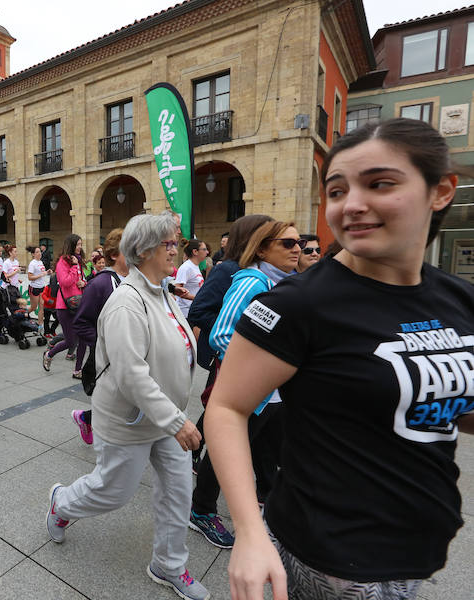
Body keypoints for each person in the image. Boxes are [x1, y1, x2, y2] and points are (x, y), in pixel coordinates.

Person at [206, 119, 473, 600]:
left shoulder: (460, 299)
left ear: (441, 191)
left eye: (380, 183)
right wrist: (248, 530)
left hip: (423, 539)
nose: (351, 204)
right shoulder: (296, 303)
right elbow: (226, 407)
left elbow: (445, 403)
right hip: (335, 558)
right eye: (336, 190)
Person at [46, 213, 208, 600]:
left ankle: (168, 565)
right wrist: (178, 421)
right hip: (131, 420)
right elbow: (132, 375)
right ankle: (61, 503)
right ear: (144, 250)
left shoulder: (163, 291)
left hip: (166, 420)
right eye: (170, 242)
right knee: (113, 491)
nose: (177, 249)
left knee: (179, 490)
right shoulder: (125, 302)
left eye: (177, 241)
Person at [188, 221, 302, 550]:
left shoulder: (284, 282)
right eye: (288, 243)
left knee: (267, 451)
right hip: (250, 389)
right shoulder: (252, 282)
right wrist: (263, 371)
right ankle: (202, 509)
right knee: (228, 453)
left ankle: (267, 503)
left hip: (274, 392)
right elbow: (222, 333)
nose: (297, 249)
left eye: (300, 244)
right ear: (263, 248)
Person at [70, 227, 126, 445]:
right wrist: (103, 344)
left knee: (121, 401)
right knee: (115, 400)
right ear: (114, 255)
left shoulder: (133, 281)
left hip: (126, 355)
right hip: (106, 357)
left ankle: (89, 418)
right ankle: (86, 418)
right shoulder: (100, 283)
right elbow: (81, 323)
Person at [42, 234, 87, 378]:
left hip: (79, 303)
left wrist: (83, 283)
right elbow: (65, 282)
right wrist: (74, 267)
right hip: (66, 306)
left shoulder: (78, 261)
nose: (80, 247)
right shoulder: (63, 261)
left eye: (81, 244)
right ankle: (49, 354)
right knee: (70, 341)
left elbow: (82, 279)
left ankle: (77, 370)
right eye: (78, 244)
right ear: (71, 245)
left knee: (83, 338)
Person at [173, 239, 209, 318]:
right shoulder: (186, 267)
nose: (207, 252)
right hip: (185, 314)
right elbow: (177, 289)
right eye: (204, 249)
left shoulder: (195, 266)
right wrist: (199, 299)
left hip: (193, 311)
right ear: (195, 252)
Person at [26, 245, 52, 332]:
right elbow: (30, 277)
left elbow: (42, 273)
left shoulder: (40, 262)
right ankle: (22, 314)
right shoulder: (32, 263)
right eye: (37, 252)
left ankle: (40, 326)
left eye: (39, 252)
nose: (39, 253)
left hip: (42, 287)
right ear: (33, 254)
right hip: (34, 288)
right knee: (33, 307)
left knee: (42, 308)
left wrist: (47, 272)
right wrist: (41, 275)